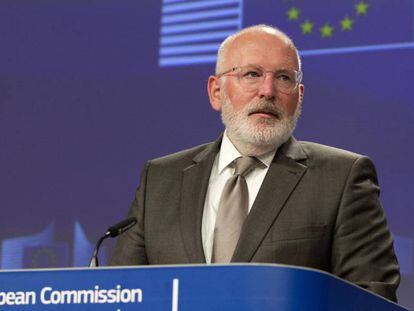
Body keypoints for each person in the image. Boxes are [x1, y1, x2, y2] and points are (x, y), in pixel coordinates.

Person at [111, 25, 400, 301]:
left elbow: (370, 296)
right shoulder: (161, 179)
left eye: (284, 78)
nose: (268, 91)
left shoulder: (342, 178)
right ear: (216, 92)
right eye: (252, 74)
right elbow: (119, 292)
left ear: (299, 97)